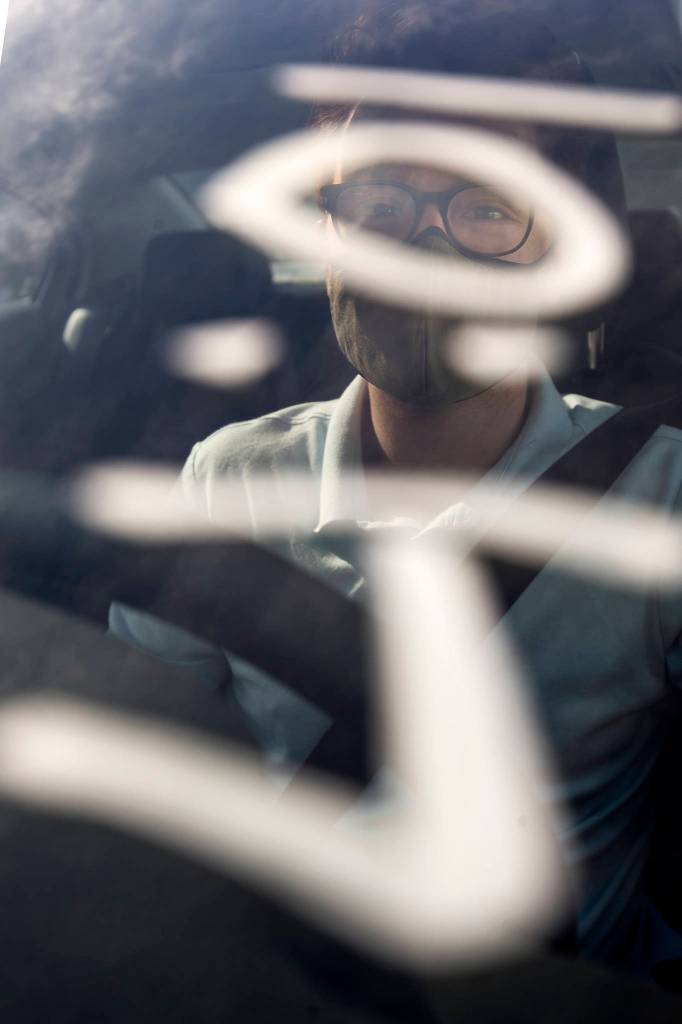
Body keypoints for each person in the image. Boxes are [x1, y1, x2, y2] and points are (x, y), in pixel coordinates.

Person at [111, 2, 682, 981]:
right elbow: (138, 799)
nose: (423, 247)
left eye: (484, 207)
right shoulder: (227, 479)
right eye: (378, 202)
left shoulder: (662, 498)